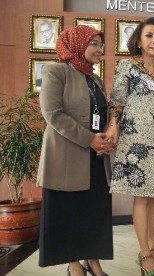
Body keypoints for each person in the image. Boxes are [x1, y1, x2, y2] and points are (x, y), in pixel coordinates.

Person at [37, 25, 113, 276]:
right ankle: (73, 264)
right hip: (65, 158)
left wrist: (105, 138)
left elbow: (103, 115)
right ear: (78, 44)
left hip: (96, 158)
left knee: (94, 212)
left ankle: (93, 261)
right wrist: (90, 139)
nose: (99, 49)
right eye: (93, 43)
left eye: (101, 45)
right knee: (68, 213)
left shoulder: (96, 79)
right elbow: (53, 114)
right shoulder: (56, 72)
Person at [106, 17, 154, 276]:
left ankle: (153, 248)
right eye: (149, 36)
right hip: (137, 142)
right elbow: (117, 100)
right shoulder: (128, 67)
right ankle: (144, 254)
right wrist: (113, 125)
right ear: (138, 40)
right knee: (142, 196)